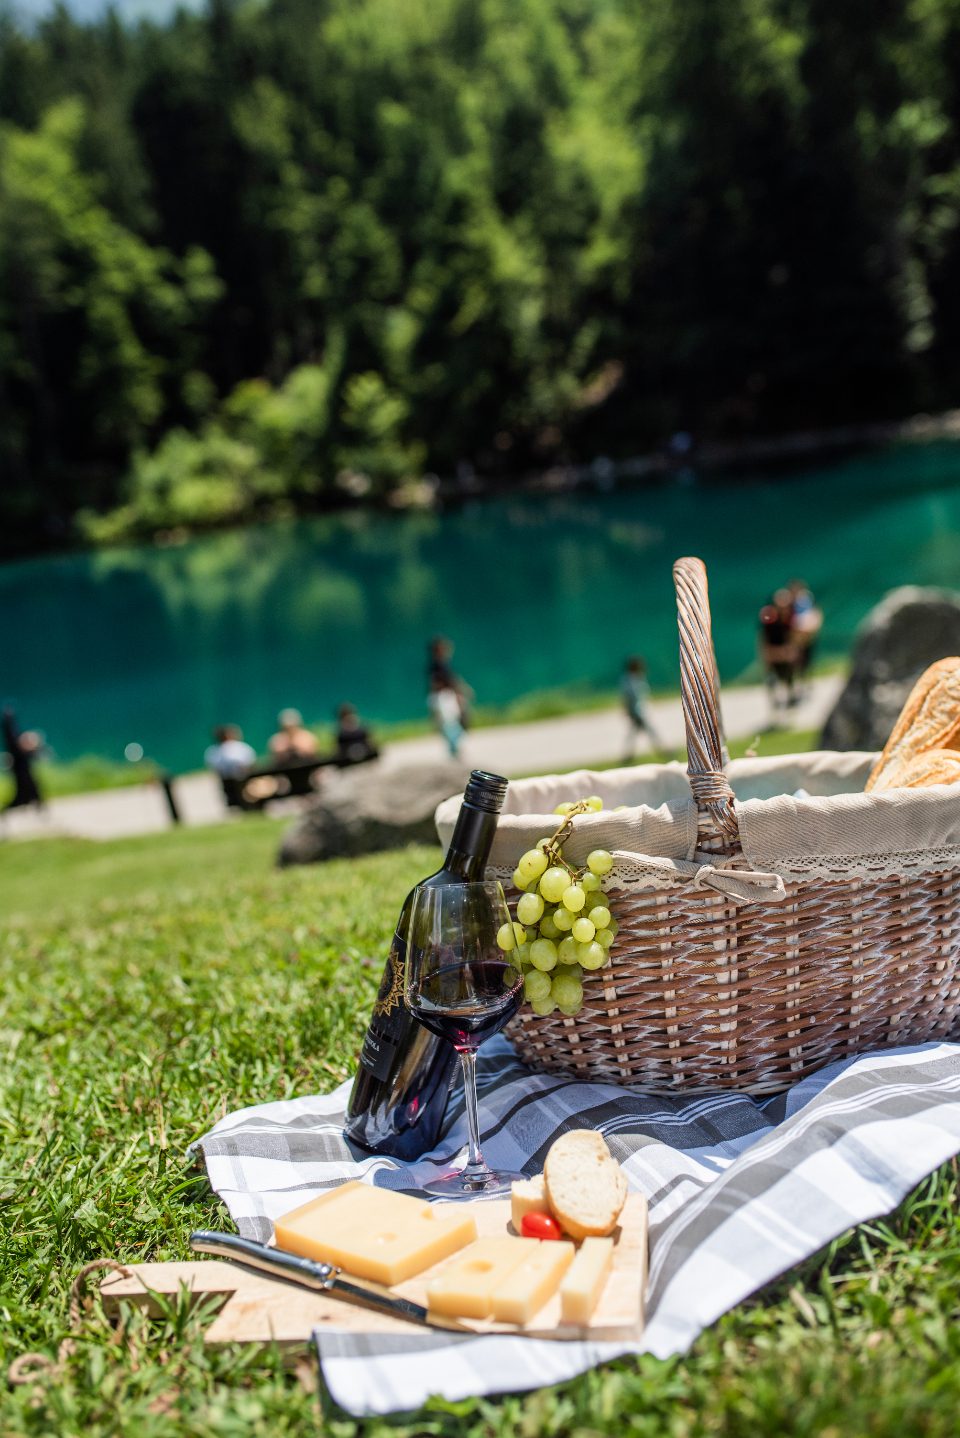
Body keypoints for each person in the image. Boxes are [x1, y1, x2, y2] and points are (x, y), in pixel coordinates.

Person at [759, 590, 801, 720]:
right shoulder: (770, 619)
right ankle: (775, 710)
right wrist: (770, 656)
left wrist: (791, 651)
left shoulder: (790, 618)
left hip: (785, 655)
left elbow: (792, 636)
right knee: (773, 682)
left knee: (789, 678)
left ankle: (790, 703)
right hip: (774, 655)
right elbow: (764, 641)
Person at [2, 707, 44, 812]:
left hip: (22, 766)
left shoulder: (11, 731)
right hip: (20, 768)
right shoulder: (11, 732)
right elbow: (19, 746)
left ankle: (38, 807)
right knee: (25, 791)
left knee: (32, 789)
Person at [426, 636, 474, 729]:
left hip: (440, 697)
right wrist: (461, 691)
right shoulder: (439, 666)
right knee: (451, 724)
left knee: (449, 724)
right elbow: (450, 681)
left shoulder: (437, 665)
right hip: (445, 698)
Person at [620, 657, 661, 759]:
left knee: (634, 734)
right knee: (650, 732)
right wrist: (629, 711)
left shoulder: (639, 678)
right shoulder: (628, 680)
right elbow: (628, 697)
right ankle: (663, 750)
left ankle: (628, 756)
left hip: (642, 710)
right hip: (637, 711)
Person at [788, 578, 823, 695]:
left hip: (807, 636)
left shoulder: (807, 600)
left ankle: (805, 682)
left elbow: (815, 615)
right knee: (797, 662)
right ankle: (798, 684)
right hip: (796, 638)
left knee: (806, 661)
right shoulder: (790, 603)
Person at [429, 676, 465, 758]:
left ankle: (455, 751)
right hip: (444, 721)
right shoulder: (434, 697)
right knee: (450, 737)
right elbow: (435, 712)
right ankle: (454, 752)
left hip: (453, 718)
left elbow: (455, 705)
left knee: (456, 735)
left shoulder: (448, 693)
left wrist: (459, 713)